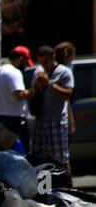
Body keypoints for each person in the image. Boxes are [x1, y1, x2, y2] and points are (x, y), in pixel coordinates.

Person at [30, 42, 75, 172]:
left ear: (52, 57)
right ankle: (44, 189)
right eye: (41, 62)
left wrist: (49, 84)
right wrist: (36, 87)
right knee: (39, 160)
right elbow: (32, 94)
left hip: (56, 122)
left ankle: (66, 188)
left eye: (45, 61)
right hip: (41, 121)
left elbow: (68, 94)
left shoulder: (64, 72)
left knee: (61, 159)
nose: (43, 65)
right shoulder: (38, 71)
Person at [0, 46, 32, 150]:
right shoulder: (14, 72)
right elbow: (19, 94)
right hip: (14, 121)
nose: (25, 66)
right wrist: (32, 91)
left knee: (2, 151)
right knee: (21, 153)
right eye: (25, 63)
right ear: (21, 59)